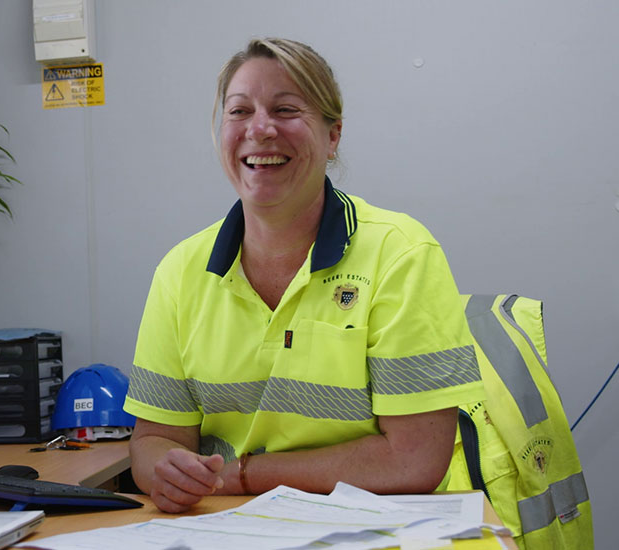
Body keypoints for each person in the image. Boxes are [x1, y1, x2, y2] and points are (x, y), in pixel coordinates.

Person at [123, 38, 487, 514]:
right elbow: (154, 439)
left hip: (373, 529)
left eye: (286, 109)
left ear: (332, 135)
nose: (260, 129)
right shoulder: (180, 271)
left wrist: (244, 475)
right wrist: (165, 472)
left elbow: (413, 461)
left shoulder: (400, 254)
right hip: (224, 527)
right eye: (239, 111)